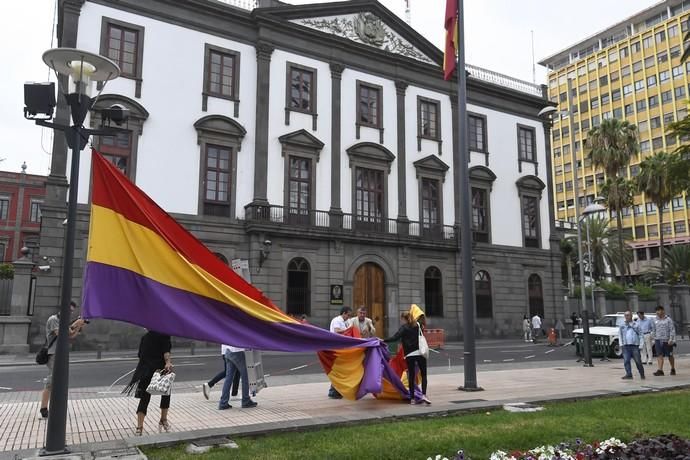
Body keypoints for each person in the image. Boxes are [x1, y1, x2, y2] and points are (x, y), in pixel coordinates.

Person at [39, 301, 85, 419]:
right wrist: (75, 323)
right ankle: (44, 409)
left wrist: (79, 326)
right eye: (68, 310)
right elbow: (61, 333)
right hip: (53, 353)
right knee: (51, 381)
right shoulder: (53, 319)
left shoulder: (64, 322)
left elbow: (71, 336)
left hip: (62, 354)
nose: (69, 312)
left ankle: (55, 407)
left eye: (71, 311)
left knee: (59, 381)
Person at [124, 330, 173, 435]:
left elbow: (140, 354)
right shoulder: (164, 334)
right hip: (160, 370)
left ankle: (139, 427)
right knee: (165, 394)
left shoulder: (145, 337)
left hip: (146, 370)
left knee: (145, 398)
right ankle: (163, 420)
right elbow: (166, 352)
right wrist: (168, 362)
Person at [384, 309, 431, 405]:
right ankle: (424, 395)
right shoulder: (418, 325)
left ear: (403, 319)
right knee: (424, 374)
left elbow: (395, 338)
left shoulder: (404, 328)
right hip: (420, 353)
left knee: (411, 376)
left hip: (410, 355)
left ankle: (412, 399)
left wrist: (383, 340)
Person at [218, 344, 257, 409]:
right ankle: (246, 400)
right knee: (245, 376)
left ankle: (223, 402)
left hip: (228, 351)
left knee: (228, 378)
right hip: (237, 351)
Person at [327, 306, 352, 399]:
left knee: (342, 370)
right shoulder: (337, 320)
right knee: (338, 370)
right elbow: (337, 331)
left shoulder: (347, 321)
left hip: (344, 349)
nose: (348, 317)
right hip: (336, 348)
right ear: (344, 313)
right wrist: (347, 331)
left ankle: (338, 390)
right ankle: (333, 391)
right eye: (348, 315)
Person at [619, 311, 645, 380]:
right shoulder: (622, 325)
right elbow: (620, 335)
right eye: (626, 315)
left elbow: (641, 335)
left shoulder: (636, 324)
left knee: (638, 361)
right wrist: (621, 344)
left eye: (628, 315)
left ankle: (642, 374)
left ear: (631, 316)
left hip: (635, 346)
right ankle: (629, 374)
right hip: (626, 345)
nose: (627, 317)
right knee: (626, 361)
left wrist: (641, 345)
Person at [652, 305, 676, 376]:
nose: (657, 313)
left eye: (659, 311)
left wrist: (671, 339)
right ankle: (660, 370)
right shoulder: (655, 320)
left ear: (662, 311)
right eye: (656, 311)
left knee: (670, 355)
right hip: (658, 340)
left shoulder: (668, 319)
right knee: (659, 355)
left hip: (667, 340)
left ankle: (672, 368)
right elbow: (653, 330)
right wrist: (653, 338)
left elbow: (672, 330)